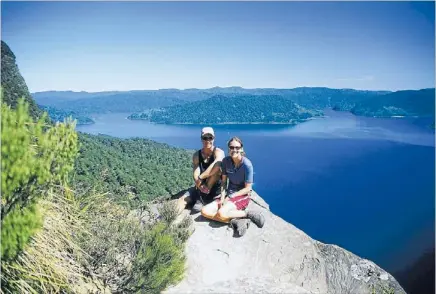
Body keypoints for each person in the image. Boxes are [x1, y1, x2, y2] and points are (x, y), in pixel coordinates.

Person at [201, 136, 265, 235]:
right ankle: (236, 220)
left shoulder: (247, 165)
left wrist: (231, 196)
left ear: (242, 149)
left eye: (237, 147)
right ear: (228, 149)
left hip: (241, 196)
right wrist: (223, 197)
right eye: (231, 147)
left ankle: (247, 214)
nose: (234, 150)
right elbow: (223, 182)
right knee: (204, 211)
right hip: (228, 194)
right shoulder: (226, 161)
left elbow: (248, 188)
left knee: (221, 213)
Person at [177, 127, 225, 213]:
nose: (207, 140)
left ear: (214, 138)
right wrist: (200, 185)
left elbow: (216, 165)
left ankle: (204, 199)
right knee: (181, 200)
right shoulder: (197, 155)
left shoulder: (219, 152)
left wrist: (201, 177)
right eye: (205, 138)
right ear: (201, 139)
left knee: (217, 168)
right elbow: (196, 172)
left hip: (215, 191)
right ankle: (169, 219)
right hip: (200, 187)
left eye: (210, 138)